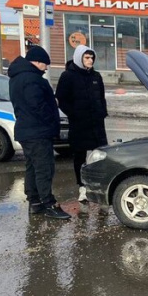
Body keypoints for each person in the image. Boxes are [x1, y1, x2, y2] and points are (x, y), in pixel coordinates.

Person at [8, 46, 71, 220]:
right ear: (36, 62)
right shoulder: (33, 80)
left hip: (26, 130)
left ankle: (34, 203)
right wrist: (51, 121)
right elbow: (38, 106)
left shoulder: (16, 78)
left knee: (32, 167)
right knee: (44, 168)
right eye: (45, 64)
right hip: (38, 132)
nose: (46, 68)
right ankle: (49, 203)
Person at [55, 44, 108, 203]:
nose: (90, 60)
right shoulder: (68, 76)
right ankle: (82, 187)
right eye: (87, 57)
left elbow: (102, 97)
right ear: (79, 58)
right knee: (79, 156)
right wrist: (74, 114)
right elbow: (61, 99)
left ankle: (98, 185)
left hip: (96, 123)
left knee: (100, 155)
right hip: (79, 124)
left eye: (92, 57)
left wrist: (102, 112)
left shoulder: (96, 76)